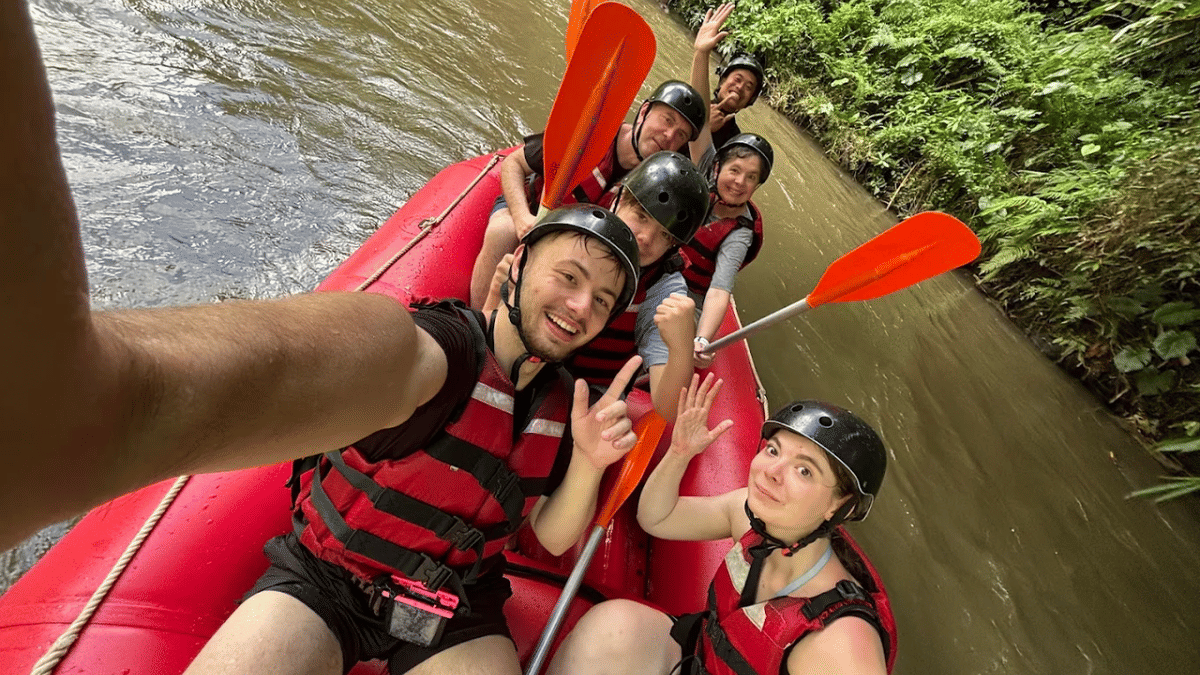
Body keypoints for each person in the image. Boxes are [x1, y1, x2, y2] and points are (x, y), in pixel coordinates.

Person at [183, 206, 647, 675]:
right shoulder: (446, 348)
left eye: (603, 300)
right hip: (329, 577)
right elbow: (376, 360)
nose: (581, 306)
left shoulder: (567, 406)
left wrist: (589, 461)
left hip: (455, 604)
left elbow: (548, 535)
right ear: (521, 261)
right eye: (569, 277)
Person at [546, 375, 897, 675]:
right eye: (773, 451)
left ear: (841, 505)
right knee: (611, 624)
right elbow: (656, 518)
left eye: (804, 470)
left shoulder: (842, 641)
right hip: (700, 659)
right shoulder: (749, 516)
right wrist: (680, 452)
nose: (771, 472)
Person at [469, 80, 707, 308]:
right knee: (504, 231)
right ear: (644, 111)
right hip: (531, 209)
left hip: (576, 240)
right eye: (667, 120)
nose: (669, 136)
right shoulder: (588, 131)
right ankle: (478, 318)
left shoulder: (658, 184)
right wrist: (522, 218)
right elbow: (514, 163)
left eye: (681, 135)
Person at [565, 151, 712, 420]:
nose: (645, 238)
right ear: (618, 200)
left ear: (673, 246)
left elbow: (668, 409)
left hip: (593, 390)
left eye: (665, 234)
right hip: (540, 355)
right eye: (642, 216)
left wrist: (680, 347)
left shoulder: (663, 290)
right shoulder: (574, 228)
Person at [683, 133, 773, 369]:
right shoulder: (704, 174)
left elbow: (719, 289)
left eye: (751, 177)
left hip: (688, 296)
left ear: (757, 185)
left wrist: (701, 340)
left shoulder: (740, 234)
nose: (740, 182)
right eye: (735, 170)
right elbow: (700, 126)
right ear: (718, 168)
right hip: (660, 273)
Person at [690, 4, 766, 151]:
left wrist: (706, 133)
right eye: (737, 79)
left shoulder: (736, 143)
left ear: (749, 100)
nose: (740, 87)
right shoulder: (688, 104)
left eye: (749, 87)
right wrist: (701, 126)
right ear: (722, 81)